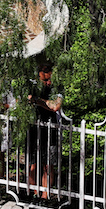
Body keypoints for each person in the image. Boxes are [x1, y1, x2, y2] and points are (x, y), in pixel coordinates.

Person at [26, 62, 63, 198]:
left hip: (51, 128)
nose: (48, 83)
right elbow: (25, 100)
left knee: (48, 165)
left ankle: (45, 196)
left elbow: (55, 106)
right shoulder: (31, 87)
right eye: (44, 80)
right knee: (33, 163)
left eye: (49, 79)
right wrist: (39, 101)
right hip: (34, 127)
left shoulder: (57, 88)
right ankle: (34, 194)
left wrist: (38, 101)